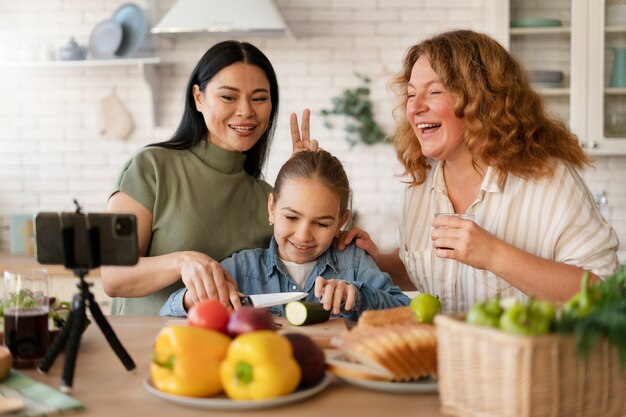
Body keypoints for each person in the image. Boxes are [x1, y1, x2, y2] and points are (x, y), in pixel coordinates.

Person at [340, 29, 619, 313]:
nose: (415, 107)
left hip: (532, 357)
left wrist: (495, 255)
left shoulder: (549, 181)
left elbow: (604, 294)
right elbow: (427, 269)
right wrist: (378, 260)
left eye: (434, 91)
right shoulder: (421, 186)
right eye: (411, 94)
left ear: (481, 99)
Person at [102, 40, 317, 315]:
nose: (246, 111)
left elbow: (302, 263)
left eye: (259, 98)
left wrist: (302, 189)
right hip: (144, 349)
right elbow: (113, 277)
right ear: (198, 97)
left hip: (229, 351)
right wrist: (183, 262)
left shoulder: (267, 198)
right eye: (229, 97)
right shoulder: (150, 168)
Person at [159, 150, 410, 320]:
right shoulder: (243, 268)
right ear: (272, 208)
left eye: (321, 224)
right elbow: (165, 318)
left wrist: (358, 297)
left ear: (341, 222)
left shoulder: (353, 262)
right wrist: (193, 300)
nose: (303, 236)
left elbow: (407, 312)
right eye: (291, 218)